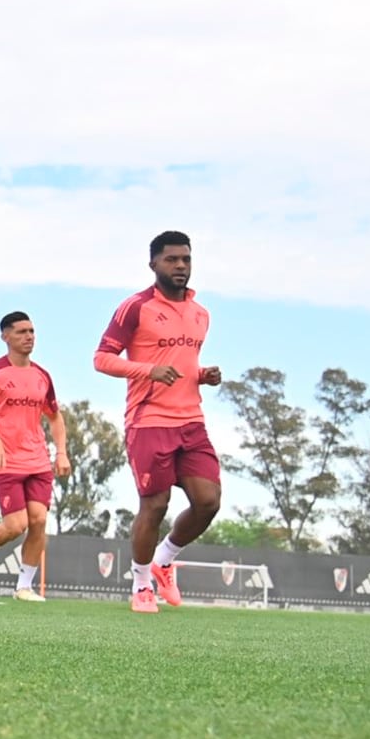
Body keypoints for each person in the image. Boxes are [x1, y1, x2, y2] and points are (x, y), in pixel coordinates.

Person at [95, 230, 222, 614]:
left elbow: (182, 366)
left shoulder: (202, 314)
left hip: (191, 420)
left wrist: (201, 375)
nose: (180, 266)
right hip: (148, 420)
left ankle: (164, 560)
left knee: (208, 502)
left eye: (185, 259)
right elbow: (102, 358)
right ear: (154, 264)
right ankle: (140, 584)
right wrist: (148, 370)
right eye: (172, 260)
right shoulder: (135, 307)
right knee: (155, 504)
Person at [0, 314, 71, 601]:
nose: (29, 336)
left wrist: (61, 452)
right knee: (16, 525)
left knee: (38, 521)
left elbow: (55, 416)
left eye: (33, 331)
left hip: (38, 459)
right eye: (22, 332)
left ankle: (23, 587)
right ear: (5, 337)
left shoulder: (42, 376)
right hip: (6, 460)